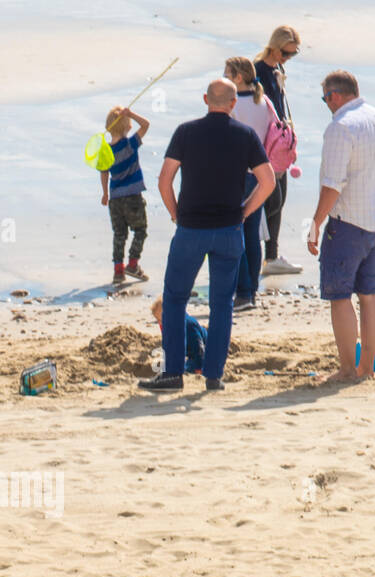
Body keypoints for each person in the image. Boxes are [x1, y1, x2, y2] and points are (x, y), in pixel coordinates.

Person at [139, 79, 274, 392]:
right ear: (232, 104)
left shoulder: (186, 132)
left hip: (191, 229)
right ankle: (213, 375)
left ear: (205, 100)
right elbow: (267, 182)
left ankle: (173, 374)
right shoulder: (245, 135)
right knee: (222, 303)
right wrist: (244, 212)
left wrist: (175, 214)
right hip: (229, 230)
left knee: (174, 299)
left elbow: (164, 180)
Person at [307, 70, 375, 383]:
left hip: (348, 223)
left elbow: (333, 184)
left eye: (325, 99)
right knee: (369, 294)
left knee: (339, 296)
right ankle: (367, 366)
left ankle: (347, 369)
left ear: (334, 96)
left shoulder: (340, 127)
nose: (326, 105)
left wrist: (316, 223)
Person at [224, 57, 280, 311]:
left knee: (237, 233)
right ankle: (251, 292)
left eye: (226, 74)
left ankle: (244, 293)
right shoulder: (264, 101)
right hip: (261, 174)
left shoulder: (233, 105)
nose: (223, 78)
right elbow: (277, 130)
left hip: (237, 174)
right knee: (252, 234)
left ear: (237, 78)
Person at [254, 25, 303, 277]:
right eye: (285, 53)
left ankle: (271, 256)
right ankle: (259, 251)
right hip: (266, 142)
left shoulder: (276, 69)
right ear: (274, 46)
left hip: (280, 141)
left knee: (279, 199)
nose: (287, 59)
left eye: (292, 54)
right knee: (270, 200)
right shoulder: (258, 70)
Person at [99, 105, 150, 286]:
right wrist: (132, 114)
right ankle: (133, 264)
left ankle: (118, 271)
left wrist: (105, 193)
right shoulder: (130, 144)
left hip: (115, 198)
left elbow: (104, 173)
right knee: (140, 230)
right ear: (127, 126)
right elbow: (146, 125)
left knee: (119, 234)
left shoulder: (105, 150)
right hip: (133, 197)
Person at [151, 298, 205, 374]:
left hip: (207, 349)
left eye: (162, 320)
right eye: (157, 320)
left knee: (192, 367)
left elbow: (199, 347)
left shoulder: (189, 325)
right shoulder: (171, 326)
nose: (160, 323)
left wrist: (199, 367)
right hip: (190, 353)